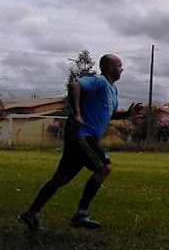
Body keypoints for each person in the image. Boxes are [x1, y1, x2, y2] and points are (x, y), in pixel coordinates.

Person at [18, 54, 134, 231]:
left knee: (60, 179)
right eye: (119, 65)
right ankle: (81, 214)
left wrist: (127, 115)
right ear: (109, 68)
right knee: (104, 168)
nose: (122, 69)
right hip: (82, 135)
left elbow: (108, 114)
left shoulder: (113, 90)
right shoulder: (100, 81)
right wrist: (77, 113)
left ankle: (30, 214)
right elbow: (75, 85)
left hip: (84, 137)